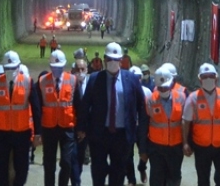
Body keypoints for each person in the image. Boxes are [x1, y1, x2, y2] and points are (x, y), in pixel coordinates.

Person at [77, 42, 146, 186]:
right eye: (109, 59)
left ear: (121, 61)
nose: (113, 63)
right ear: (104, 60)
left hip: (122, 136)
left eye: (116, 60)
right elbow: (85, 104)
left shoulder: (131, 80)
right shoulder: (95, 79)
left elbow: (141, 106)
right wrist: (82, 127)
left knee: (118, 174)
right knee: (98, 173)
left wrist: (139, 132)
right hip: (99, 135)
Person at [181, 63, 220, 186]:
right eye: (204, 76)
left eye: (211, 76)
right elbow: (186, 121)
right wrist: (185, 142)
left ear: (216, 78)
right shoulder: (193, 98)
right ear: (199, 79)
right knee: (203, 180)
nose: (208, 79)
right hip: (201, 146)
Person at [32, 49, 79, 186]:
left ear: (64, 66)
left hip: (67, 127)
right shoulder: (42, 82)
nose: (57, 70)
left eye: (59, 67)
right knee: (49, 164)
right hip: (49, 127)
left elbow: (78, 103)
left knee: (66, 161)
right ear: (50, 67)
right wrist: (38, 131)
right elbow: (37, 107)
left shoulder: (72, 80)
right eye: (54, 67)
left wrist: (80, 126)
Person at [0, 51, 35, 186]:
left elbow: (36, 109)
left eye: (13, 68)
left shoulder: (27, 82)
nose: (10, 71)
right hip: (2, 132)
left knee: (22, 167)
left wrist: (38, 132)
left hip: (21, 132)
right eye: (7, 68)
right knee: (2, 167)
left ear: (19, 67)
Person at [141, 66, 184, 186]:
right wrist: (143, 150)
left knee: (174, 178)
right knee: (157, 179)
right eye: (160, 88)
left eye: (165, 87)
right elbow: (143, 127)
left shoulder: (181, 98)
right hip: (156, 149)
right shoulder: (150, 100)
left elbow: (186, 124)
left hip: (176, 148)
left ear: (171, 84)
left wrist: (187, 144)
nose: (163, 90)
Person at [129, 66, 153, 184]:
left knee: (145, 152)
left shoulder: (147, 91)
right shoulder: (124, 90)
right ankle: (131, 178)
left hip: (142, 126)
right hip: (129, 127)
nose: (136, 80)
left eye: (138, 77)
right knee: (127, 154)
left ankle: (142, 167)